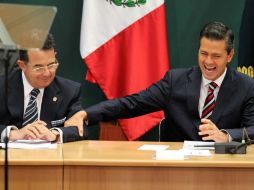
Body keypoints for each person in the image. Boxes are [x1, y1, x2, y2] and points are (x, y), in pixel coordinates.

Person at [72, 21, 254, 142]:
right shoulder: (176, 81)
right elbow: (132, 103)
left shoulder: (246, 86)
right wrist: (86, 115)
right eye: (203, 54)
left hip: (224, 169)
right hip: (177, 168)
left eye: (216, 56)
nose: (208, 62)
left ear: (230, 56)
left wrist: (226, 136)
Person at [0, 34, 86, 143]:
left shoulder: (69, 90)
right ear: (22, 65)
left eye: (51, 65)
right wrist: (13, 133)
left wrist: (55, 134)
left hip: (51, 158)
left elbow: (80, 129)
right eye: (38, 67)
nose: (46, 73)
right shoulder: (3, 87)